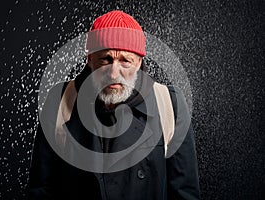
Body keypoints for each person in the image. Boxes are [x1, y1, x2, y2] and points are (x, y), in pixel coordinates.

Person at [27, 10, 200, 200]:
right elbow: (41, 190)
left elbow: (185, 193)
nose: (113, 73)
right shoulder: (60, 100)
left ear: (139, 62)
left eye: (125, 61)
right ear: (90, 59)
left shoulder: (169, 104)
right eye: (105, 59)